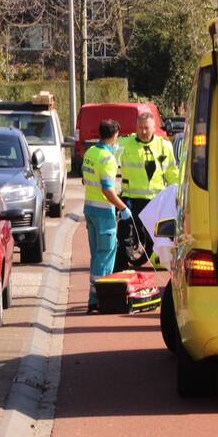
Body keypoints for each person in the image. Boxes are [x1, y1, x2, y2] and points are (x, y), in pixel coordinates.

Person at [82, 119, 134, 313]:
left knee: (97, 255)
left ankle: (95, 298)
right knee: (105, 257)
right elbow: (107, 190)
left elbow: (86, 180)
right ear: (114, 136)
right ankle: (97, 300)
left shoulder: (90, 153)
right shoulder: (108, 158)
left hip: (90, 210)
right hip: (104, 212)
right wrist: (122, 208)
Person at [115, 112, 179, 270]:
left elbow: (171, 172)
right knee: (125, 233)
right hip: (131, 198)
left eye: (147, 128)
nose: (143, 131)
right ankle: (121, 266)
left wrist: (179, 193)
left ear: (154, 128)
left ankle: (161, 261)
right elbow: (110, 165)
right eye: (140, 128)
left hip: (156, 200)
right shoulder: (124, 144)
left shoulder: (164, 145)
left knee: (158, 236)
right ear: (136, 127)